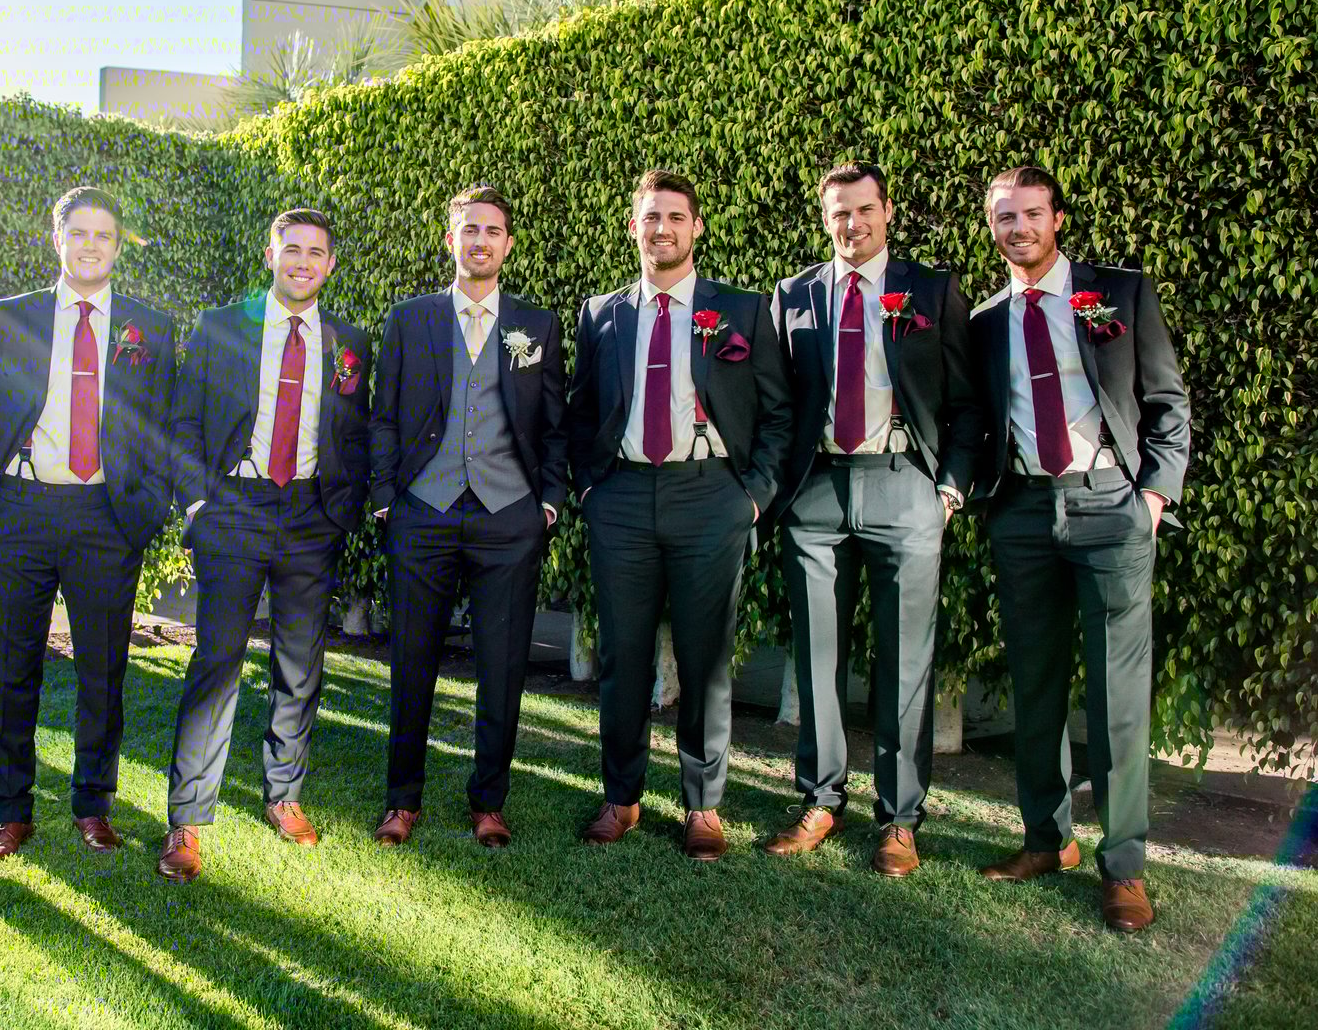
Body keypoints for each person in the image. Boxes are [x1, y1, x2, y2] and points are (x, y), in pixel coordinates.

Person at [969, 164, 1189, 932]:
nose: (1019, 228)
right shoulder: (986, 319)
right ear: (991, 226)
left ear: (1057, 218)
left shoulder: (1118, 294)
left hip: (1109, 505)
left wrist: (1152, 498)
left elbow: (1167, 402)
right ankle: (1046, 840)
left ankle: (1123, 867)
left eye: (1031, 213)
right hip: (1024, 512)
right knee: (1034, 684)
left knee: (1116, 697)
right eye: (1005, 216)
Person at [566, 168, 792, 860]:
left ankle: (703, 805)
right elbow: (580, 409)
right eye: (650, 217)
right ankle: (621, 796)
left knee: (705, 658)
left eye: (674, 217)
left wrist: (751, 495)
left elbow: (778, 412)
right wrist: (590, 489)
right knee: (622, 655)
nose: (661, 229)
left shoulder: (741, 311)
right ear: (633, 227)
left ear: (696, 227)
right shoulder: (601, 313)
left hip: (711, 496)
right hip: (623, 498)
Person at [766, 162, 984, 875]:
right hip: (818, 491)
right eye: (839, 212)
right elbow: (776, 399)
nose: (852, 224)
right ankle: (821, 800)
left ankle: (899, 819)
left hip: (904, 483)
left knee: (905, 660)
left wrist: (948, 489)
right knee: (818, 658)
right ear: (825, 218)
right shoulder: (793, 295)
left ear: (887, 211)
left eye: (864, 209)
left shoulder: (931, 291)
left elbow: (968, 402)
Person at [0, 186, 178, 861]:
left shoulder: (150, 328)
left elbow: (164, 427)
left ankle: (92, 805)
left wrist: (146, 509)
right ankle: (11, 811)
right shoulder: (9, 317)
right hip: (16, 512)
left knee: (102, 672)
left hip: (104, 517)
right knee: (10, 668)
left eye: (103, 235)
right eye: (78, 232)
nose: (90, 245)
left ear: (118, 246)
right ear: (57, 239)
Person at [158, 209, 370, 883]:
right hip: (235, 506)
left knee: (300, 666)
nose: (302, 262)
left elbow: (356, 431)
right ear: (271, 254)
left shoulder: (348, 342)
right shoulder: (222, 326)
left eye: (315, 252)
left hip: (310, 515)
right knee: (218, 661)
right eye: (291, 249)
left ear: (330, 264)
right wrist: (199, 502)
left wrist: (340, 510)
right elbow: (183, 418)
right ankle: (188, 818)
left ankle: (284, 795)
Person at [368, 186, 567, 850]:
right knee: (411, 660)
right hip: (423, 511)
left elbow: (554, 424)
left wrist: (547, 502)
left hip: (508, 517)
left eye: (493, 231)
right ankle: (402, 799)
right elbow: (384, 416)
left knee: (503, 666)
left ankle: (489, 802)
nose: (481, 241)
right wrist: (387, 499)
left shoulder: (537, 326)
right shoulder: (410, 319)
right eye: (470, 230)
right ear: (450, 239)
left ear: (508, 244)